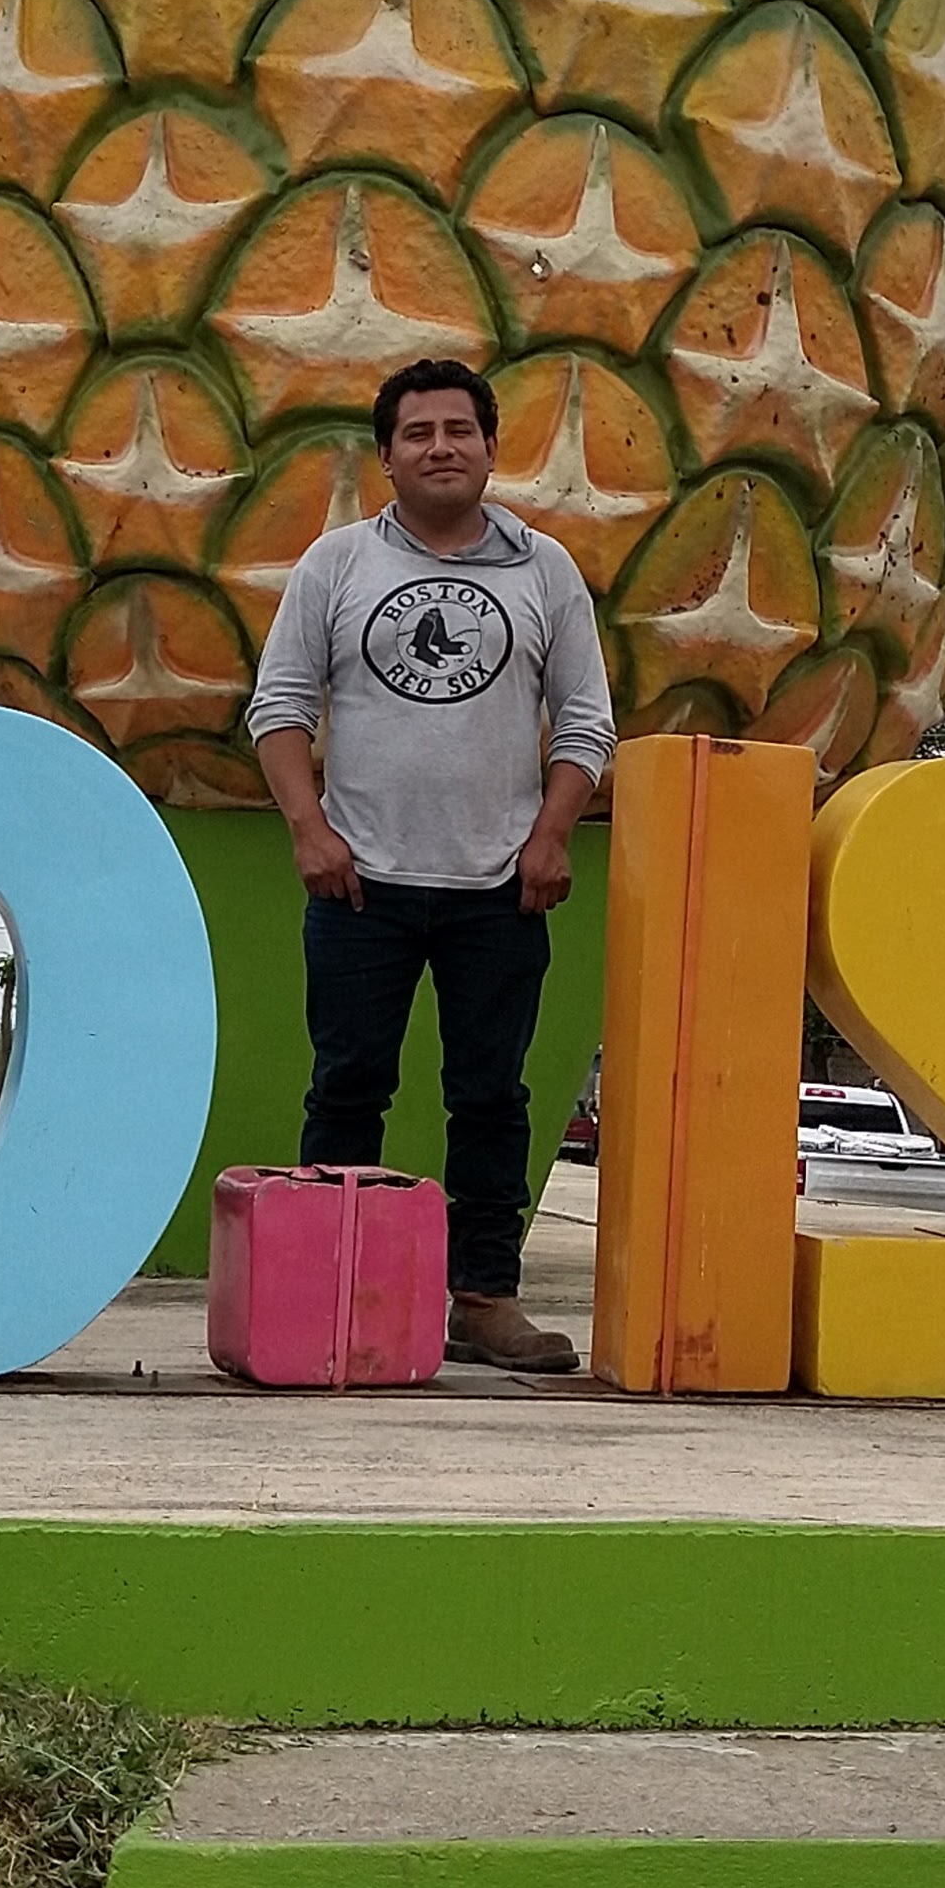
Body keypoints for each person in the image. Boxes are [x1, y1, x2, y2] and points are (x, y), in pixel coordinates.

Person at [246, 356, 616, 1372]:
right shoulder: (335, 565)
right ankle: (331, 1287)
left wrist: (551, 834)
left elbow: (587, 721)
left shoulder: (546, 571)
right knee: (348, 1084)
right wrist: (308, 830)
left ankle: (485, 1297)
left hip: (499, 886)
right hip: (360, 880)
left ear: (492, 447)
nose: (441, 447)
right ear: (387, 455)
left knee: (491, 1095)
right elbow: (278, 706)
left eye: (460, 429)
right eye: (419, 432)